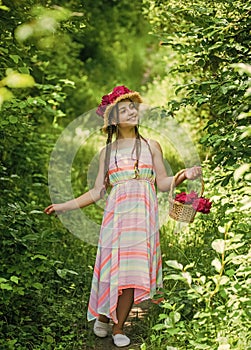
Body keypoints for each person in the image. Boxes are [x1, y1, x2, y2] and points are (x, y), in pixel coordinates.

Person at [44, 85, 202, 348]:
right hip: (116, 220)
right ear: (113, 119)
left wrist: (183, 174)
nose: (132, 112)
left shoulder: (152, 145)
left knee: (131, 271)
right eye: (124, 109)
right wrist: (64, 206)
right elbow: (96, 192)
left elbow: (162, 182)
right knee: (111, 269)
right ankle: (104, 316)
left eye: (133, 107)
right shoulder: (108, 152)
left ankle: (119, 327)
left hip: (143, 220)